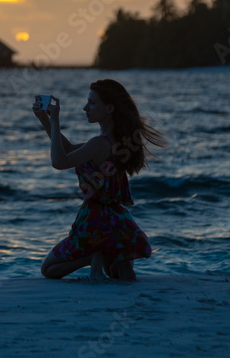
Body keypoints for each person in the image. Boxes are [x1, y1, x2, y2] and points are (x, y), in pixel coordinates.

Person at [34, 79, 167, 281]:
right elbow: (69, 149)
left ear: (109, 108)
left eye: (92, 103)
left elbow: (59, 161)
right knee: (116, 273)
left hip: (94, 220)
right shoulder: (116, 141)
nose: (85, 108)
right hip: (117, 221)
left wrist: (55, 121)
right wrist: (44, 118)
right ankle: (105, 258)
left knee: (48, 269)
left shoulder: (99, 144)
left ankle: (91, 256)